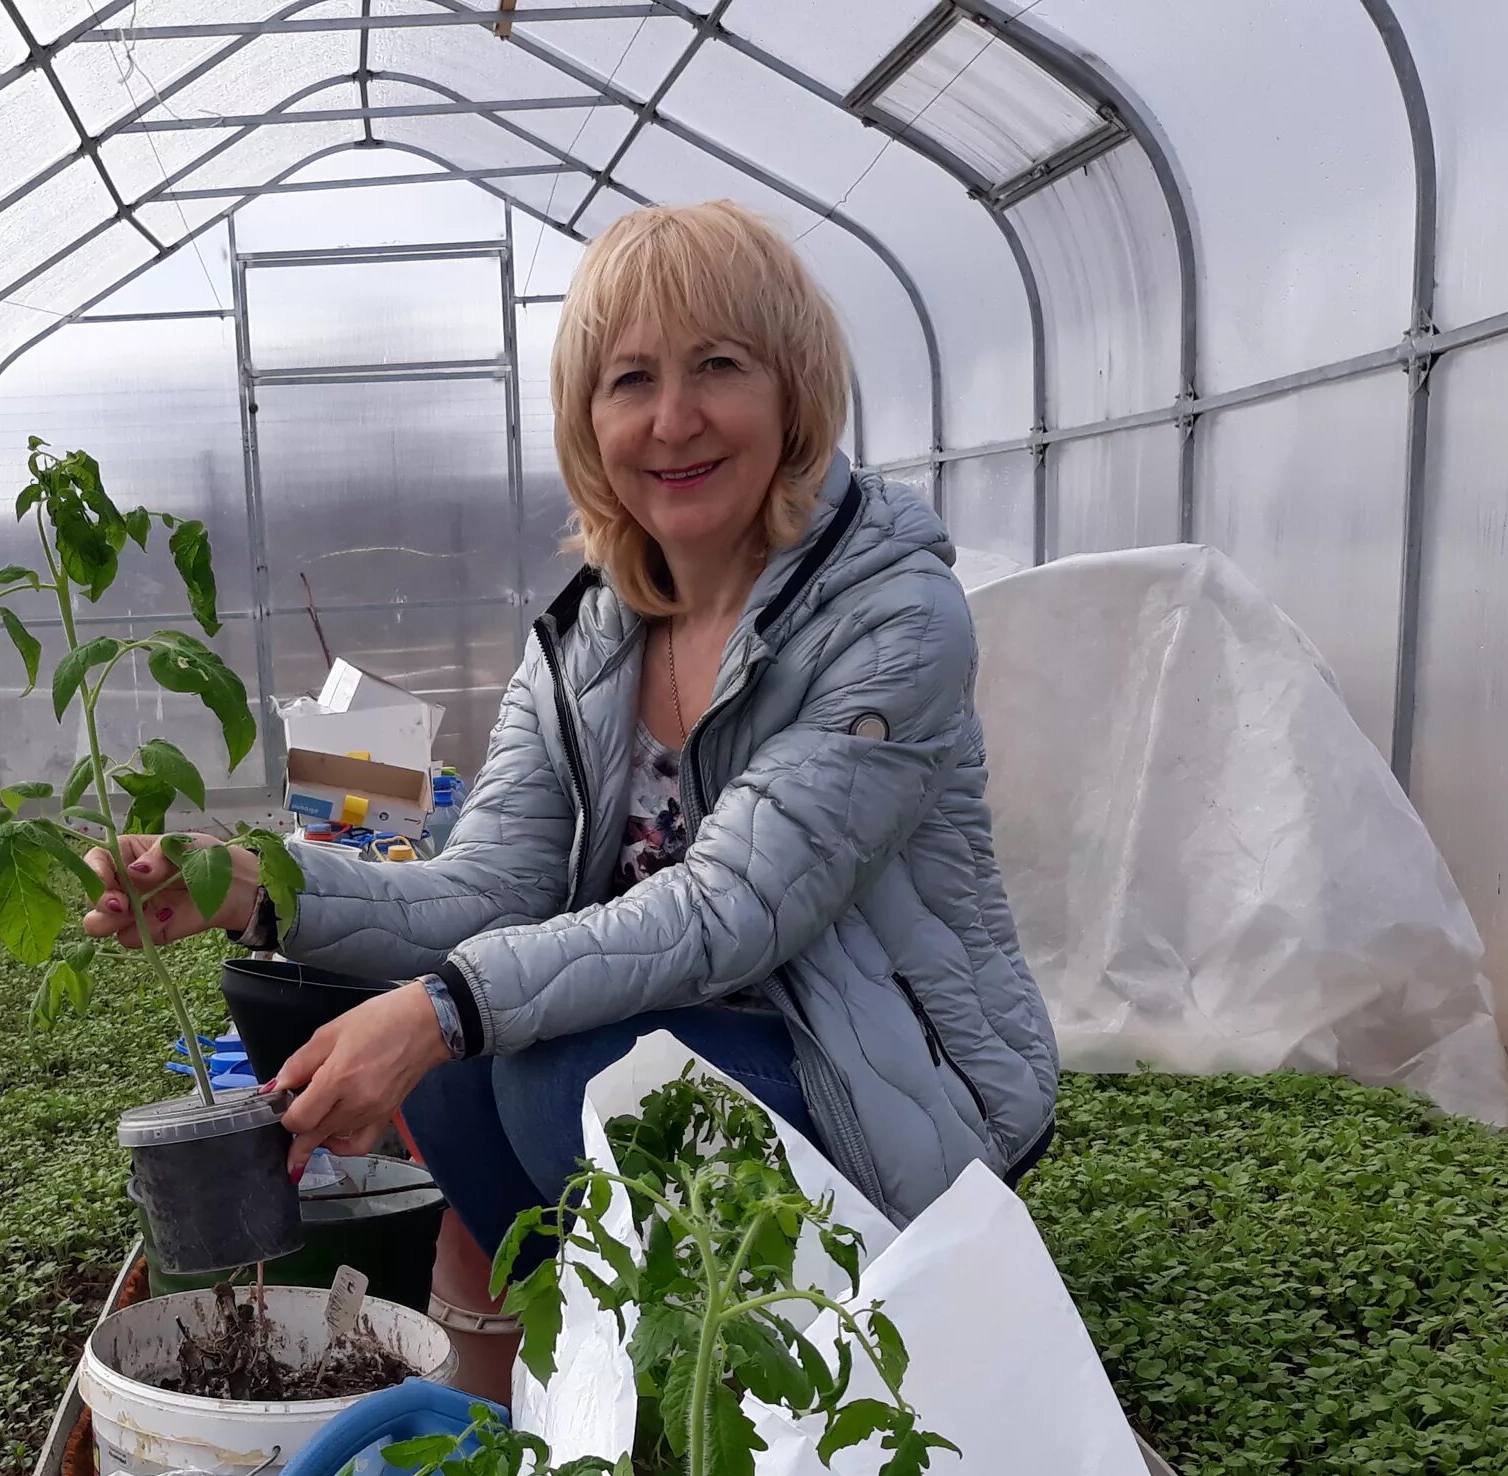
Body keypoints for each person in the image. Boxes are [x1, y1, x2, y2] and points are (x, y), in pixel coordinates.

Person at [85, 200, 1055, 1373]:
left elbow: (728, 909)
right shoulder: (594, 637)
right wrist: (252, 886)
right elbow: (485, 888)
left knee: (552, 1077)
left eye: (719, 367)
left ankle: (751, 1388)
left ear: (795, 389)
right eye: (629, 379)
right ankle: (560, 1373)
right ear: (589, 421)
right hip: (700, 1041)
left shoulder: (893, 618)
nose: (673, 419)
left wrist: (441, 1011)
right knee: (453, 1066)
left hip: (885, 1081)